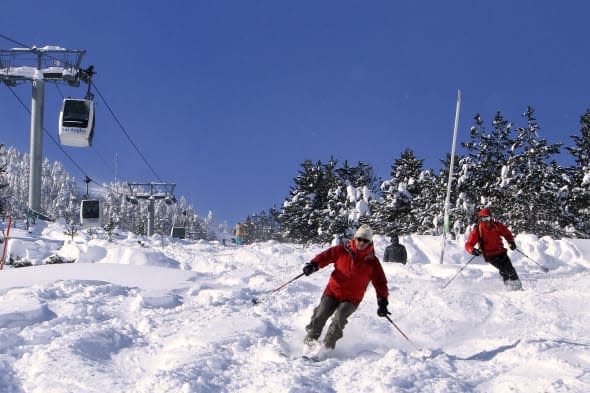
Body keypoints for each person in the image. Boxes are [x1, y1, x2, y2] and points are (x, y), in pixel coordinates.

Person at [302, 224, 390, 354]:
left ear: (370, 242)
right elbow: (326, 256)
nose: (361, 242)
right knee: (320, 314)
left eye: (365, 240)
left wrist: (382, 301)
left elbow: (380, 282)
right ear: (355, 238)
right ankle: (309, 344)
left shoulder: (373, 262)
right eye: (359, 239)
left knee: (339, 319)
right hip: (333, 291)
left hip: (352, 298)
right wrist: (314, 264)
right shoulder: (342, 250)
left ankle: (326, 349)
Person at [465, 208, 522, 290]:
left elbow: (507, 233)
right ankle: (510, 286)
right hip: (489, 255)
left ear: (491, 218)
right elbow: (468, 244)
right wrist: (473, 250)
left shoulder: (497, 226)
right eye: (483, 219)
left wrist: (511, 242)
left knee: (510, 269)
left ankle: (517, 287)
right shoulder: (478, 230)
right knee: (504, 269)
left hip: (501, 252)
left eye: (487, 218)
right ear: (480, 219)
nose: (486, 221)